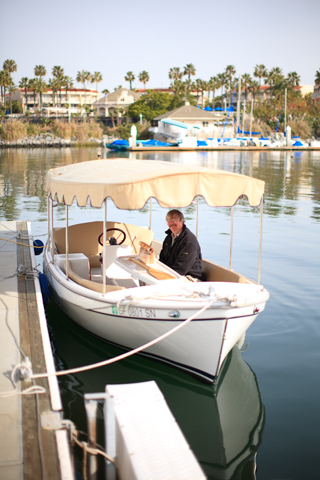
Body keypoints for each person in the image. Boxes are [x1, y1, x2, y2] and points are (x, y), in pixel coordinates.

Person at [159, 209, 205, 281]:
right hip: (173, 273)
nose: (171, 223)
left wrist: (163, 276)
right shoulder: (169, 238)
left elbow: (182, 269)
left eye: (174, 220)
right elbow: (162, 259)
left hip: (190, 278)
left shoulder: (189, 241)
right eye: (168, 221)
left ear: (182, 221)